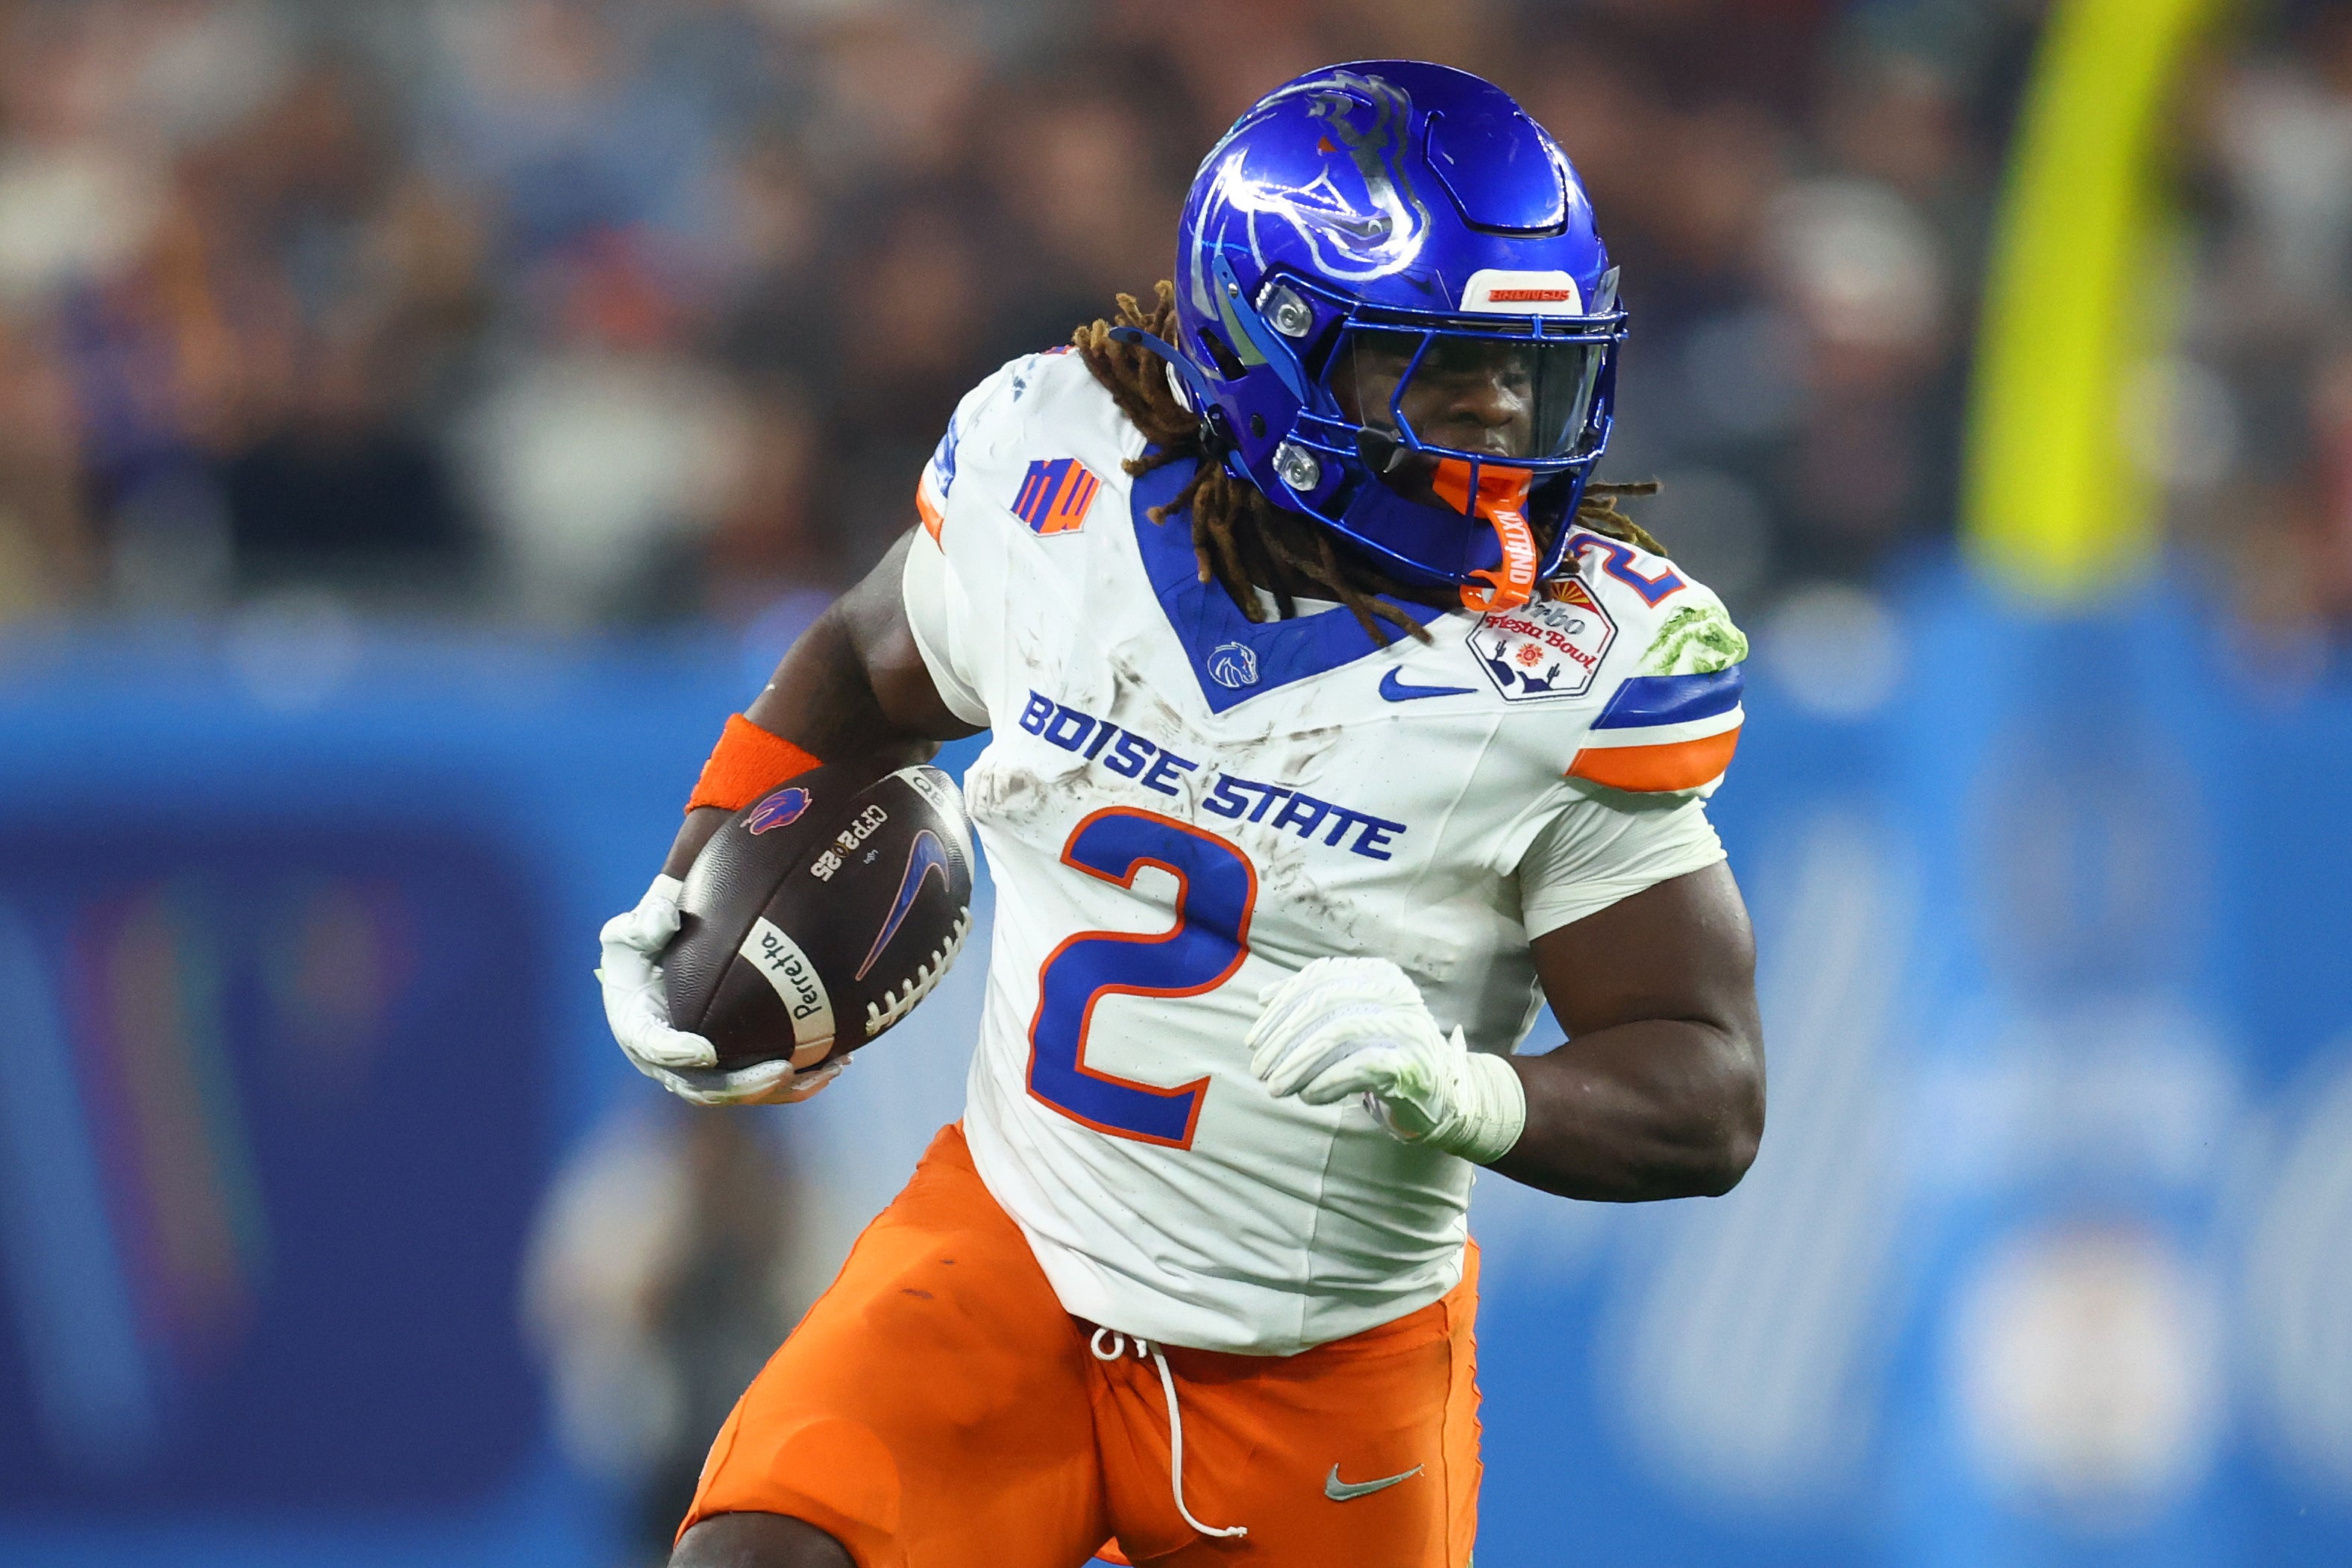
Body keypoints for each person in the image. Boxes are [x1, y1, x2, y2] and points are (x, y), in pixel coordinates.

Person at [598, 60, 1765, 1568]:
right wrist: (705, 855)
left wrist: (1475, 1090)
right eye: (1436, 370)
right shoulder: (1059, 486)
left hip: (1318, 1361)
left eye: (1525, 375)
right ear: (1273, 360)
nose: (1497, 427)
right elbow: (869, 662)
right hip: (1010, 1247)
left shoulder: (1564, 671)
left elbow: (1708, 1086)